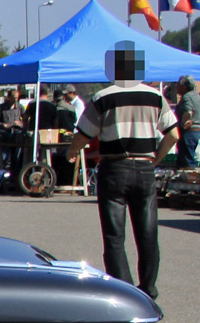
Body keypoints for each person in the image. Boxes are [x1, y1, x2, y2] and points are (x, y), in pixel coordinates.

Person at [75, 42, 178, 299]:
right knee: (147, 233)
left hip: (114, 167)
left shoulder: (102, 97)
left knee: (114, 235)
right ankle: (149, 286)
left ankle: (125, 288)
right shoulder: (156, 96)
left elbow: (84, 134)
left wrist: (69, 151)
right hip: (144, 167)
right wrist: (156, 159)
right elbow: (173, 134)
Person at [176, 76, 200, 166]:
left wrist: (183, 123)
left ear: (184, 87)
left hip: (188, 132)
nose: (176, 87)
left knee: (186, 161)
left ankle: (188, 178)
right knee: (189, 157)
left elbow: (188, 111)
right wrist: (196, 121)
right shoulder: (197, 96)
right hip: (196, 131)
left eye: (178, 85)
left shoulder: (187, 97)